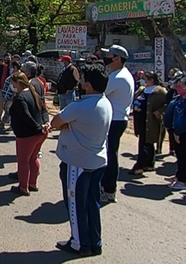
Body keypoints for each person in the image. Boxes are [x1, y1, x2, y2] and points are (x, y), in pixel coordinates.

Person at [51, 64, 112, 257]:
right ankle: (95, 241)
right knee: (92, 204)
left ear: (89, 85)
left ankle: (79, 243)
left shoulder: (80, 106)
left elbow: (55, 123)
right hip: (96, 160)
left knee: (75, 204)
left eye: (83, 79)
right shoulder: (105, 102)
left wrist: (67, 124)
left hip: (78, 161)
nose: (80, 82)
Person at [100, 45, 134, 203]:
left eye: (109, 55)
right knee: (109, 153)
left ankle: (109, 189)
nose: (106, 57)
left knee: (110, 155)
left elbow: (100, 91)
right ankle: (105, 186)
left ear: (117, 58)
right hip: (117, 119)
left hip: (115, 120)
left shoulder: (118, 77)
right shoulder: (120, 74)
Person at [8, 72, 49, 196]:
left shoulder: (20, 97)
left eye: (13, 83)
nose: (12, 85)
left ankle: (23, 187)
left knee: (23, 161)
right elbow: (44, 110)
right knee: (33, 158)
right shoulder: (34, 93)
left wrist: (37, 128)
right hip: (40, 133)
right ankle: (32, 183)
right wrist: (45, 123)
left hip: (27, 134)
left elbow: (26, 116)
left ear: (18, 83)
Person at [130, 72, 166, 175]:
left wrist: (160, 111)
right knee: (147, 143)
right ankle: (149, 164)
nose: (144, 80)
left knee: (144, 143)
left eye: (146, 78)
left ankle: (139, 166)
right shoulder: (142, 89)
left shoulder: (160, 91)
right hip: (140, 120)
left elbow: (168, 103)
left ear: (152, 80)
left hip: (150, 121)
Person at [166, 76, 186, 190]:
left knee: (183, 156)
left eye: (180, 86)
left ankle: (182, 181)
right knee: (179, 156)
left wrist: (178, 132)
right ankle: (179, 176)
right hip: (175, 131)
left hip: (183, 133)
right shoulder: (179, 99)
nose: (177, 88)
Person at [0, 53, 12, 122]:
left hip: (9, 89)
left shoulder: (11, 68)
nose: (8, 60)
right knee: (0, 104)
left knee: (8, 105)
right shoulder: (0, 67)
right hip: (1, 88)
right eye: (6, 58)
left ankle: (7, 118)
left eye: (9, 58)